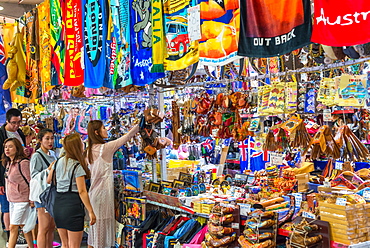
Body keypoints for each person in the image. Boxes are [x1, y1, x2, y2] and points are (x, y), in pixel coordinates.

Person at [87, 120, 139, 248]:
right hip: (103, 196)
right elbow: (126, 137)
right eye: (103, 128)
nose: (106, 130)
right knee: (102, 234)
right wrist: (140, 125)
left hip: (93, 195)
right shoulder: (106, 148)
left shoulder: (88, 150)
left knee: (94, 232)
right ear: (96, 132)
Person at [47, 133, 96, 248]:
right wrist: (91, 211)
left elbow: (49, 180)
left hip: (58, 205)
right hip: (73, 206)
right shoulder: (77, 166)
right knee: (74, 245)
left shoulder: (58, 162)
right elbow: (82, 191)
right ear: (77, 146)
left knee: (65, 244)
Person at [0, 108, 26, 241]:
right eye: (14, 123)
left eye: (19, 122)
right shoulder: (1, 134)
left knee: (18, 207)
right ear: (7, 121)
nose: (16, 126)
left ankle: (18, 234)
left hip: (19, 175)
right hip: (5, 176)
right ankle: (10, 235)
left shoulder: (19, 132)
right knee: (7, 207)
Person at [2, 138, 33, 248]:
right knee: (24, 226)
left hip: (22, 200)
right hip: (12, 199)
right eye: (6, 147)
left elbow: (30, 181)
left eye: (10, 146)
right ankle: (31, 246)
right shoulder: (9, 163)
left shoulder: (23, 163)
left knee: (13, 227)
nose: (7, 149)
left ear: (17, 148)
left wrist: (31, 199)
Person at [30, 129, 57, 248]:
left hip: (52, 194)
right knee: (44, 227)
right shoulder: (37, 156)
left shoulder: (53, 154)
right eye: (47, 138)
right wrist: (48, 170)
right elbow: (34, 176)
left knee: (51, 227)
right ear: (40, 140)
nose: (50, 141)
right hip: (42, 196)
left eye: (52, 138)